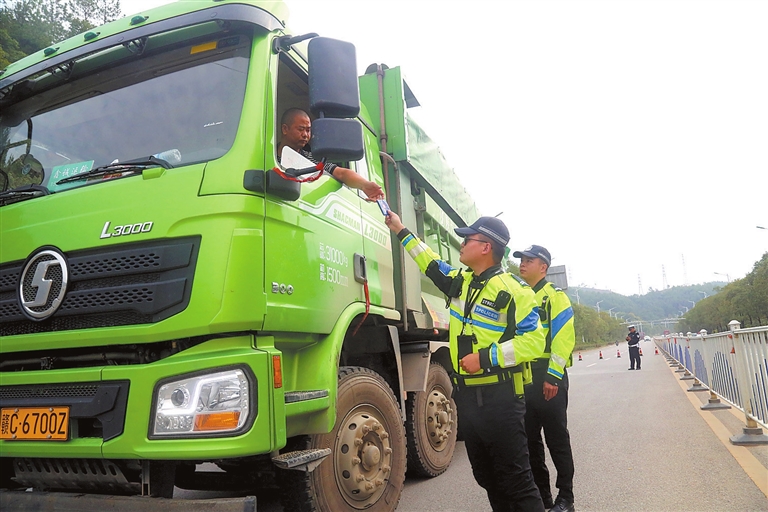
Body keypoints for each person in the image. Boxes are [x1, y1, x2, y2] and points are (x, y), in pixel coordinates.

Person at [385, 212, 546, 512]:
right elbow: (428, 261)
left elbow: (535, 341)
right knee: (487, 477)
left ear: (486, 247)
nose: (461, 243)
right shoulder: (461, 282)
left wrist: (485, 358)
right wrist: (399, 228)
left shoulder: (515, 291)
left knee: (517, 481)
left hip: (502, 398)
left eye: (467, 239)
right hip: (468, 398)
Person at [516, 245, 576, 512]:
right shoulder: (520, 295)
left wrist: (553, 376)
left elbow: (563, 337)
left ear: (543, 267)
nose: (523, 264)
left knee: (556, 439)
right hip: (525, 377)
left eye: (529, 260)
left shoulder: (554, 296)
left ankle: (566, 498)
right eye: (522, 260)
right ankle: (542, 497)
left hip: (548, 375)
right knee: (530, 442)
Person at [277, 108, 383, 200]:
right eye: (300, 129)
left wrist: (364, 185)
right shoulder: (270, 156)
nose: (305, 135)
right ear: (285, 129)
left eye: (308, 130)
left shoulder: (312, 158)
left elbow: (341, 173)